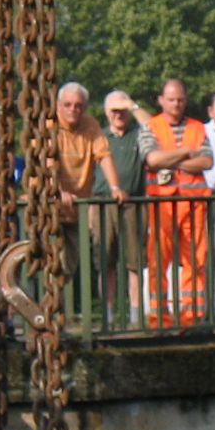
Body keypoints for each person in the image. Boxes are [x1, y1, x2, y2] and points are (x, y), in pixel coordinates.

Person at [50, 82, 124, 306]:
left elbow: (103, 155)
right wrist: (57, 190)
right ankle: (46, 313)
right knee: (52, 265)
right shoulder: (49, 124)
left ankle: (57, 312)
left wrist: (115, 187)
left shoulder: (90, 125)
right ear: (58, 106)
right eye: (68, 105)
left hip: (75, 208)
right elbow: (44, 162)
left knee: (69, 266)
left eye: (79, 105)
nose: (73, 109)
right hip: (50, 206)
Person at [145, 79, 212, 325]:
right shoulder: (151, 126)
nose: (176, 104)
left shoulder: (197, 128)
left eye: (180, 99)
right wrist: (185, 153)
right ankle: (158, 316)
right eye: (171, 99)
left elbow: (206, 162)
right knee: (157, 259)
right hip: (161, 203)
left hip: (194, 202)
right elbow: (152, 159)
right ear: (161, 100)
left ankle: (191, 315)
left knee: (196, 260)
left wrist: (169, 159)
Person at [96, 91, 155, 325]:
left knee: (135, 262)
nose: (118, 115)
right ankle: (107, 315)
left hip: (134, 202)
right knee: (105, 261)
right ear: (106, 112)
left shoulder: (138, 134)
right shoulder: (99, 137)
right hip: (102, 203)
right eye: (114, 110)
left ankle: (135, 314)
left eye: (122, 111)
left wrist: (132, 105)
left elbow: (154, 126)